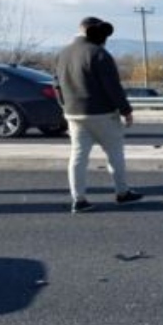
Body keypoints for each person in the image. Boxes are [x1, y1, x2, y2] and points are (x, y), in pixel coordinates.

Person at [54, 16, 143, 213]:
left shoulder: (62, 54)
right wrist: (126, 110)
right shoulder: (99, 53)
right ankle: (122, 192)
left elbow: (56, 85)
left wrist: (64, 106)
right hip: (102, 113)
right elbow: (112, 87)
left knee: (78, 157)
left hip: (73, 113)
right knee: (114, 154)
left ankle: (79, 199)